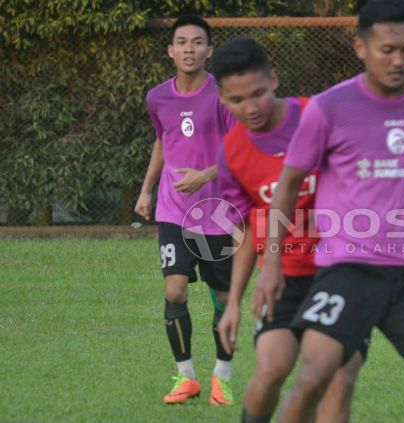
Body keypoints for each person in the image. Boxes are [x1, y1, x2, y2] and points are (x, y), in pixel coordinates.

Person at [255, 0, 404, 421]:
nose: (399, 60)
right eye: (387, 50)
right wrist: (272, 264)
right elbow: (287, 185)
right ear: (360, 47)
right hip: (348, 269)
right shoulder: (329, 107)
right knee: (312, 379)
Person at [211, 37, 365, 423]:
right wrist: (233, 302)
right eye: (236, 100)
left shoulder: (320, 116)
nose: (251, 108)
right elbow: (247, 229)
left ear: (274, 80)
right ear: (221, 97)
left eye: (258, 94)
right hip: (282, 277)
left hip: (340, 272)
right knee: (271, 369)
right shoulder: (231, 151)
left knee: (336, 377)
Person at [134, 15, 237, 406]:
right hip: (173, 210)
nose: (189, 49)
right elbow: (163, 141)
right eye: (182, 42)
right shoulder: (157, 96)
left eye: (197, 42)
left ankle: (222, 379)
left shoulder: (223, 94)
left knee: (223, 296)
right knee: (174, 289)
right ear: (171, 51)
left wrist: (206, 174)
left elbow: (240, 149)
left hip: (218, 211)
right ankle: (186, 376)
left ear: (209, 50)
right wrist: (147, 190)